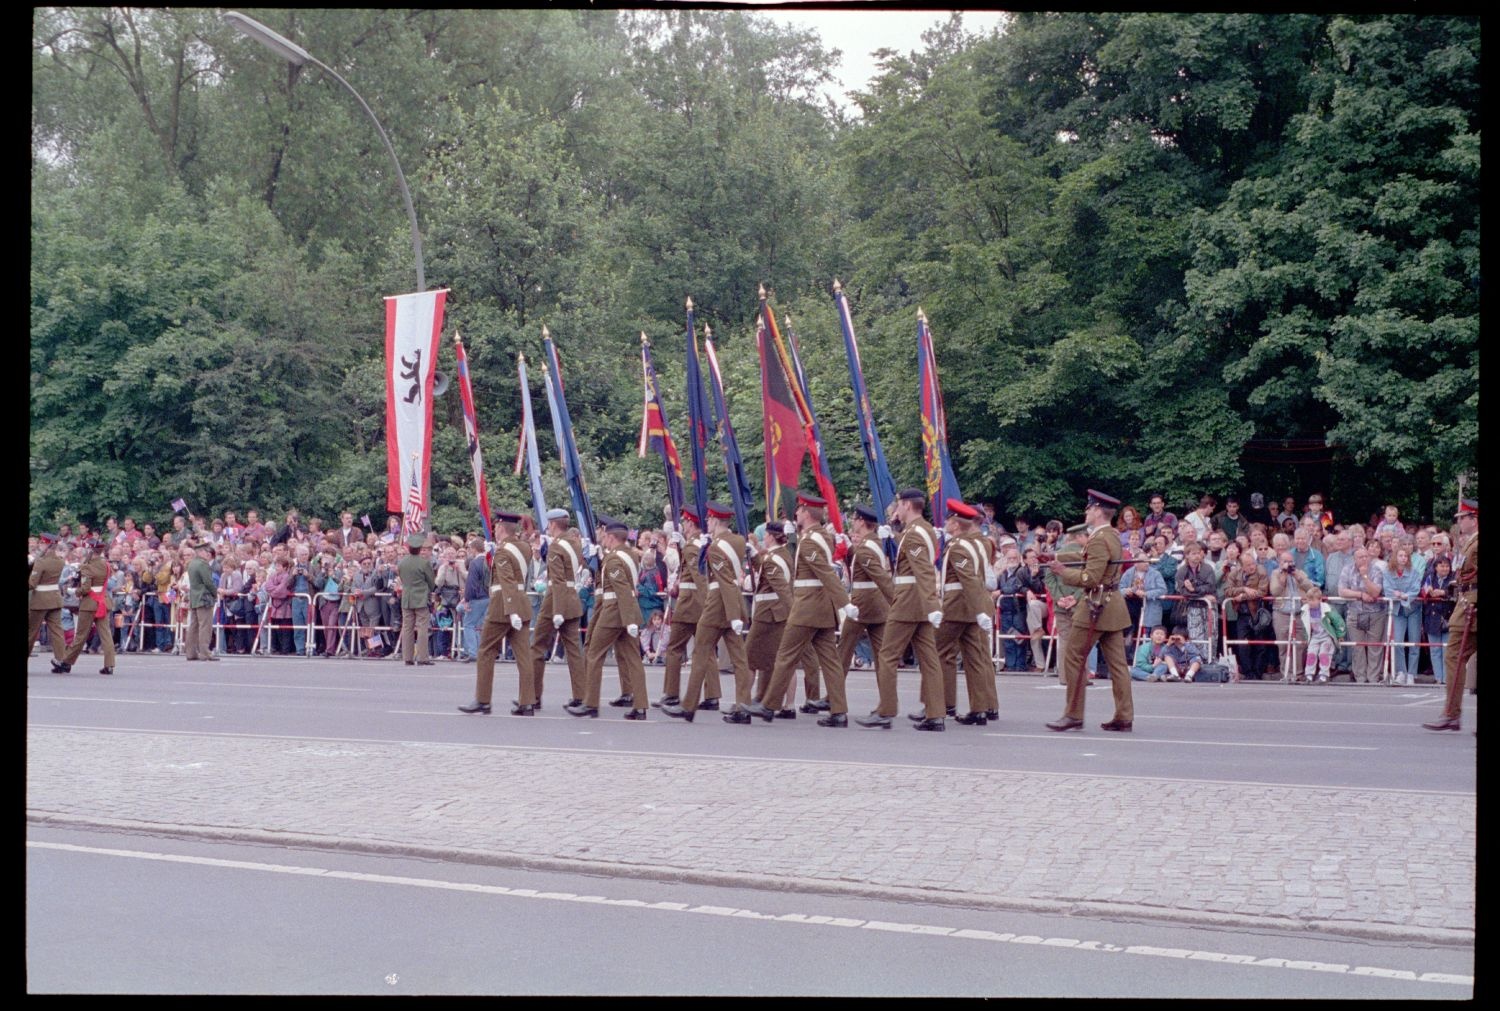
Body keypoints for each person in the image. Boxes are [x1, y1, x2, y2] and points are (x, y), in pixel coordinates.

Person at [746, 493, 853, 726]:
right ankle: (838, 711)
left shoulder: (810, 540)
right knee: (831, 660)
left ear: (806, 512)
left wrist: (845, 602)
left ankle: (769, 704)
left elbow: (824, 572)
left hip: (807, 606)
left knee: (785, 656)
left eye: (799, 510)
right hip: (822, 607)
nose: (796, 514)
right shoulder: (824, 536)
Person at [856, 488, 946, 730]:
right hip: (919, 602)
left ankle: (886, 710)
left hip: (909, 601)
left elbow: (922, 571)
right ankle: (936, 713)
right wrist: (895, 535)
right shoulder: (923, 530)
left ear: (906, 505)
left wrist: (931, 603)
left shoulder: (915, 534)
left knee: (887, 656)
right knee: (929, 658)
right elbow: (914, 556)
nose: (896, 509)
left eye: (898, 505)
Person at [1045, 489, 1134, 732]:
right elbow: (1096, 563)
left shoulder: (1097, 538)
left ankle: (1073, 713)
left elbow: (1090, 577)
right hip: (1113, 605)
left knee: (1073, 657)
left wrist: (1062, 572)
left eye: (1088, 508)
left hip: (1096, 604)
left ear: (1096, 511)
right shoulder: (1113, 536)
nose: (1086, 512)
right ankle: (1124, 715)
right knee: (1118, 665)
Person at [665, 503, 751, 723]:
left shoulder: (715, 547)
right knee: (739, 658)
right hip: (733, 602)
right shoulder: (739, 541)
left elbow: (723, 582)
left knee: (701, 653)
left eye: (710, 520)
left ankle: (688, 706)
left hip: (716, 604)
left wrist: (732, 615)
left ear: (714, 521)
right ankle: (743, 705)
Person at [570, 518, 650, 720]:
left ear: (612, 538)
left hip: (614, 611)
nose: (603, 539)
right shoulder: (630, 554)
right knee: (633, 658)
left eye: (605, 536)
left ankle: (590, 703)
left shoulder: (614, 559)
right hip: (626, 610)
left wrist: (629, 619)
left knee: (594, 654)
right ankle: (640, 705)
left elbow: (621, 588)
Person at [461, 512, 538, 715]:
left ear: (502, 528)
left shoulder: (503, 551)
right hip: (522, 603)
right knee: (524, 655)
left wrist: (510, 610)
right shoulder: (524, 547)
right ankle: (527, 702)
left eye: (496, 528)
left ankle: (483, 700)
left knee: (486, 651)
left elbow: (506, 580)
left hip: (503, 605)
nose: (494, 531)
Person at [933, 499, 999, 726]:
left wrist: (980, 611)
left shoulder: (959, 546)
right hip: (971, 607)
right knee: (975, 658)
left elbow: (969, 580)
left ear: (955, 523)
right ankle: (979, 709)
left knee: (937, 652)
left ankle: (936, 707)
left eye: (949, 519)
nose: (945, 523)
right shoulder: (974, 544)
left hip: (957, 606)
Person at [1423, 500, 1477, 732]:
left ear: (1473, 519)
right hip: (1467, 602)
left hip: (1472, 606)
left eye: (1461, 518)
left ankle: (1451, 713)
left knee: (1454, 656)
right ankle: (1451, 713)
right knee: (1454, 656)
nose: (1458, 522)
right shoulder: (1469, 543)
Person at [529, 509, 589, 709]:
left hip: (556, 598)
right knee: (574, 650)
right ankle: (581, 695)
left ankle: (532, 695)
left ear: (553, 524)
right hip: (572, 598)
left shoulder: (556, 546)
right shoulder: (574, 542)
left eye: (549, 524)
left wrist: (557, 611)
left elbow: (558, 580)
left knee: (537, 646)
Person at [743, 521, 794, 716]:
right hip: (776, 611)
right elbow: (766, 575)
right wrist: (755, 556)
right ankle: (780, 703)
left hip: (768, 613)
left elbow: (780, 588)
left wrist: (793, 614)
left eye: (766, 535)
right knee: (775, 661)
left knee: (747, 659)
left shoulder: (773, 559)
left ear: (772, 536)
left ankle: (742, 702)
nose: (764, 538)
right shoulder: (783, 555)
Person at [1220, 552, 1271, 680]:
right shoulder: (1234, 574)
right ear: (1241, 566)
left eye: (1253, 563)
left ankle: (1258, 672)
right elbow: (1227, 591)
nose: (1252, 567)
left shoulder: (1261, 572)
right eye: (1248, 565)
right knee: (1242, 644)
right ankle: (1248, 672)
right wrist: (1243, 589)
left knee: (1260, 644)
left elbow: (1262, 591)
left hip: (1257, 612)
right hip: (1241, 613)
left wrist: (1242, 597)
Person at [1338, 547, 1385, 684]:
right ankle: (1360, 678)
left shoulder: (1376, 570)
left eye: (1366, 556)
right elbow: (1342, 591)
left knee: (1374, 647)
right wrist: (1360, 595)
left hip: (1375, 614)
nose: (1364, 559)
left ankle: (1373, 678)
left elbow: (1376, 592)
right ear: (1354, 559)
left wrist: (1365, 576)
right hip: (1354, 612)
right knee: (1357, 647)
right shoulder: (1347, 570)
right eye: (1361, 557)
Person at [996, 542, 1043, 674]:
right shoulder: (1003, 574)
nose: (1012, 561)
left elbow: (1015, 587)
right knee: (1008, 639)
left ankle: (1020, 665)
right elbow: (996, 586)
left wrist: (1000, 592)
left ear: (1019, 559)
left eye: (1014, 558)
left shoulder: (1020, 572)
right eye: (1009, 558)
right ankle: (1010, 665)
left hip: (1018, 609)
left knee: (1019, 638)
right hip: (1005, 610)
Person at [1382, 545, 1423, 686]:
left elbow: (1415, 589)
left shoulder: (1414, 572)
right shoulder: (1387, 572)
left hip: (1413, 609)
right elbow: (1387, 589)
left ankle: (1411, 673)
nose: (1403, 558)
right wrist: (1397, 595)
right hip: (1397, 610)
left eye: (1406, 556)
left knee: (1414, 642)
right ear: (1395, 557)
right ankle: (1401, 672)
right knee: (1398, 642)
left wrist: (1405, 595)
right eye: (1400, 555)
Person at [30, 534, 71, 669]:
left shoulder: (41, 562)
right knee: (57, 631)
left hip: (40, 600)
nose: (40, 545)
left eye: (42, 543)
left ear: (47, 545)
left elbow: (32, 583)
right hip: (54, 598)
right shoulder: (59, 561)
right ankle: (61, 659)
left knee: (32, 631)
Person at [397, 534, 436, 666]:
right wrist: (429, 590)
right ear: (419, 548)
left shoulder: (402, 562)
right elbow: (431, 581)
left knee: (407, 627)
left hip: (407, 597)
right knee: (422, 628)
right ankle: (422, 657)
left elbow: (402, 579)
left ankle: (407, 657)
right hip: (420, 597)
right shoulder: (424, 563)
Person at [1419, 554, 1455, 685]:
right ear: (1435, 567)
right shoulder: (1429, 576)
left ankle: (1447, 678)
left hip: (1447, 617)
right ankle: (1438, 678)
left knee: (1447, 650)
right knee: (1434, 650)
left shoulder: (1453, 578)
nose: (1445, 568)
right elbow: (1421, 591)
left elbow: (1456, 592)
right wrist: (1427, 591)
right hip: (1431, 617)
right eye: (1442, 566)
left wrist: (1443, 592)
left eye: (1447, 566)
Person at [1298, 585, 1344, 683]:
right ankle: (1309, 674)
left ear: (1320, 599)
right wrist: (1307, 638)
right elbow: (1305, 626)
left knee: (1324, 654)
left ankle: (1324, 675)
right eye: (1308, 600)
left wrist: (1340, 635)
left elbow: (1338, 621)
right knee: (1311, 654)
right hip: (1314, 637)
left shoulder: (1327, 609)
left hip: (1326, 636)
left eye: (1312, 600)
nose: (1310, 602)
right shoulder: (1305, 611)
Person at [183, 541, 219, 662]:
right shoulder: (203, 564)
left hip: (194, 597)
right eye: (206, 552)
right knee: (205, 626)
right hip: (204, 597)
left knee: (193, 626)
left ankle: (191, 652)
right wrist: (215, 593)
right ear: (201, 552)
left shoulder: (192, 563)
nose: (208, 554)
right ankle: (205, 652)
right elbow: (208, 582)